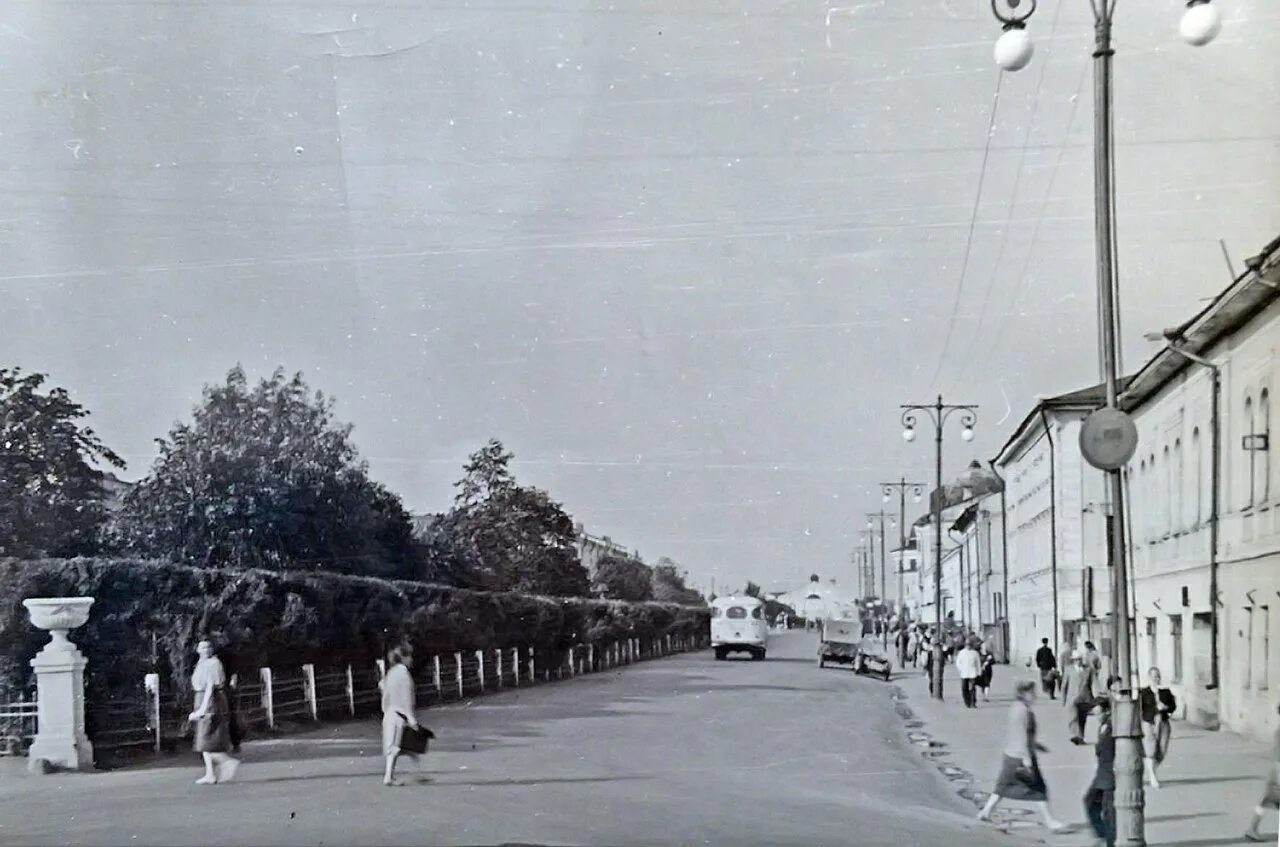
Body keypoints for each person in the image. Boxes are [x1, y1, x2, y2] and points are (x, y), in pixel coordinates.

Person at [977, 679, 1068, 833]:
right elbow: (1022, 735)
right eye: (1032, 692)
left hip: (1011, 754)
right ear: (1024, 693)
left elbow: (1020, 733)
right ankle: (1050, 821)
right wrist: (1027, 758)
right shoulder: (1024, 711)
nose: (1035, 695)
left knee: (1003, 785)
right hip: (1021, 755)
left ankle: (985, 812)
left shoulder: (1016, 708)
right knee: (1039, 789)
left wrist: (1037, 745)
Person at [189, 639, 240, 785]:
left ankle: (227, 762)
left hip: (211, 700)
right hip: (202, 698)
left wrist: (203, 709)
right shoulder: (201, 663)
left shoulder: (213, 663)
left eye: (208, 647)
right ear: (198, 649)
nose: (206, 650)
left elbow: (210, 687)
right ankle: (210, 774)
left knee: (207, 738)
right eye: (203, 647)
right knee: (203, 740)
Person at [381, 641, 422, 787]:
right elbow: (406, 698)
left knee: (398, 745)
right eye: (409, 656)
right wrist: (411, 718)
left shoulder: (391, 672)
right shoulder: (404, 674)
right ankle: (388, 777)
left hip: (390, 712)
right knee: (396, 746)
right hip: (400, 714)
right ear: (404, 658)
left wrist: (385, 708)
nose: (411, 659)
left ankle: (417, 773)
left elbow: (384, 691)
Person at [1244, 701, 1280, 842]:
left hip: (1276, 772)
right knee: (1268, 801)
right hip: (1278, 772)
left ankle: (1252, 828)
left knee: (1267, 801)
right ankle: (1252, 828)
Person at [1083, 697, 1116, 847]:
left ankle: (1111, 842)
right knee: (1090, 802)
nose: (1097, 717)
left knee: (1109, 812)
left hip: (1111, 775)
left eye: (1099, 713)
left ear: (1107, 711)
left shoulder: (1112, 726)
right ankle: (1103, 834)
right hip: (1102, 774)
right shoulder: (1103, 725)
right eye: (1095, 714)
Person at [1138, 667, 1176, 789]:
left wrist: (1166, 708)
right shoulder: (1144, 693)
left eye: (1157, 676)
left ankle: (1151, 769)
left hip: (1163, 722)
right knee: (1150, 749)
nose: (1155, 679)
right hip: (1149, 722)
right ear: (1148, 678)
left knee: (1162, 749)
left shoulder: (1166, 692)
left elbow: (1173, 706)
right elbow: (1139, 709)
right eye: (1153, 676)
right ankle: (1153, 776)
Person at [1062, 651, 1097, 745]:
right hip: (1072, 698)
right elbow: (1064, 685)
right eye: (1076, 659)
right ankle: (1075, 735)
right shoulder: (1068, 669)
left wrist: (1094, 699)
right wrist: (1063, 699)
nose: (1078, 661)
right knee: (1073, 718)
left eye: (1079, 659)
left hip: (1084, 698)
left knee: (1082, 718)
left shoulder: (1088, 670)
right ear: (1073, 660)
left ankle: (1080, 737)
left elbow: (1092, 684)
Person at [956, 638, 982, 708]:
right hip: (964, 673)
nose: (968, 646)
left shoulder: (975, 653)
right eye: (967, 645)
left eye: (970, 645)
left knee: (972, 688)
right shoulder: (962, 652)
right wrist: (960, 669)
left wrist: (979, 672)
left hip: (973, 673)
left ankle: (973, 702)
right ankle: (967, 701)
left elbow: (978, 663)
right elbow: (958, 663)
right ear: (965, 645)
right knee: (964, 688)